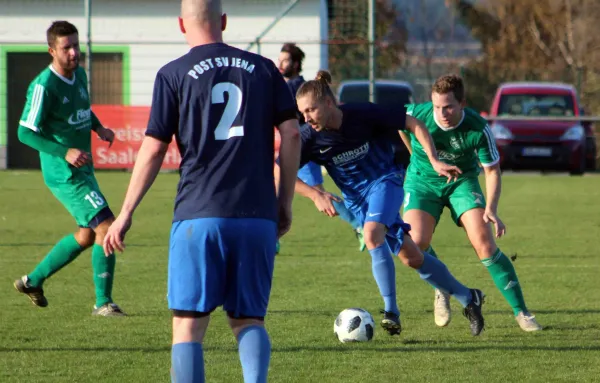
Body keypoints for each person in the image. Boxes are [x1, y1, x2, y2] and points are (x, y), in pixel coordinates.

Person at [103, 0, 301, 382]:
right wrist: (284, 202)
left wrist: (126, 213)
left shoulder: (172, 73)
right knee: (248, 320)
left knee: (188, 326)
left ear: (181, 24)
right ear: (224, 21)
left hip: (198, 215)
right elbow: (292, 134)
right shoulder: (263, 69)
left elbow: (155, 147)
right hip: (256, 215)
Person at [284, 69, 486, 337]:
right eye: (302, 113)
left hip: (386, 182)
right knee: (412, 257)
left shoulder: (362, 113)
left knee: (371, 234)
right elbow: (279, 172)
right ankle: (468, 296)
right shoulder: (309, 137)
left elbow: (413, 123)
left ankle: (391, 312)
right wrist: (315, 194)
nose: (306, 118)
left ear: (329, 103)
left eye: (311, 110)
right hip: (357, 202)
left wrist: (435, 159)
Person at [399, 74, 542, 332]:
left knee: (485, 244)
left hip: (461, 182)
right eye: (437, 107)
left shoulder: (477, 128)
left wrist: (491, 209)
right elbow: (398, 123)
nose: (442, 113)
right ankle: (441, 287)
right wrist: (413, 153)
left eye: (449, 106)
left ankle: (522, 313)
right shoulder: (419, 113)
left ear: (462, 103)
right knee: (414, 243)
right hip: (422, 182)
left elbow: (492, 170)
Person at [13, 20, 125, 317]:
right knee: (107, 226)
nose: (74, 52)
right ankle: (103, 303)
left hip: (83, 169)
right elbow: (25, 132)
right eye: (67, 48)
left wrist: (99, 128)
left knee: (87, 235)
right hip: (64, 174)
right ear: (52, 50)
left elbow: (83, 108)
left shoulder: (80, 75)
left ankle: (32, 281)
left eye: (76, 45)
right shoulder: (43, 86)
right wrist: (65, 151)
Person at [277, 42, 364, 251]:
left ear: (296, 64)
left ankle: (361, 225)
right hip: (299, 145)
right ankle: (272, 239)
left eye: (285, 60)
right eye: (279, 59)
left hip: (301, 146)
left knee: (312, 191)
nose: (280, 64)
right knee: (285, 188)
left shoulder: (292, 87)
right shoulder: (295, 85)